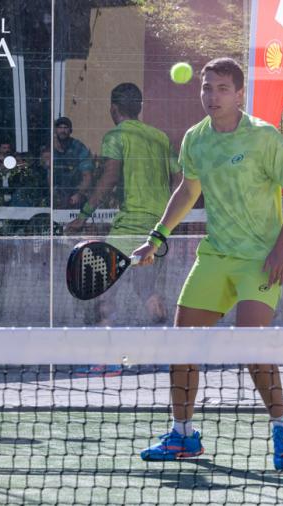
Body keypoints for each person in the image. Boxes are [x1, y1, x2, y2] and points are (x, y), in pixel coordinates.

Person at [131, 58, 283, 470]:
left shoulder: (264, 138)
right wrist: (156, 238)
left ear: (240, 92)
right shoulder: (195, 139)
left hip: (260, 259)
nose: (212, 96)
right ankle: (183, 436)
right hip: (215, 256)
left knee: (250, 342)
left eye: (222, 88)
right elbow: (187, 190)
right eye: (207, 88)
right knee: (181, 343)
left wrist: (281, 248)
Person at [64, 83, 181, 375]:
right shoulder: (160, 137)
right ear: (139, 108)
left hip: (131, 227)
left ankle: (109, 358)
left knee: (102, 289)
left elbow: (110, 177)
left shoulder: (116, 135)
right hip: (160, 228)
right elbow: (181, 180)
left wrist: (83, 216)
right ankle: (167, 356)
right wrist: (169, 217)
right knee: (147, 290)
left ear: (113, 109)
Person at [53, 116, 94, 209]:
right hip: (52, 195)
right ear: (55, 130)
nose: (63, 130)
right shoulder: (49, 148)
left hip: (73, 194)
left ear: (70, 131)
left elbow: (87, 176)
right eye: (60, 127)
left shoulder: (79, 148)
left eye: (66, 128)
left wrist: (79, 194)